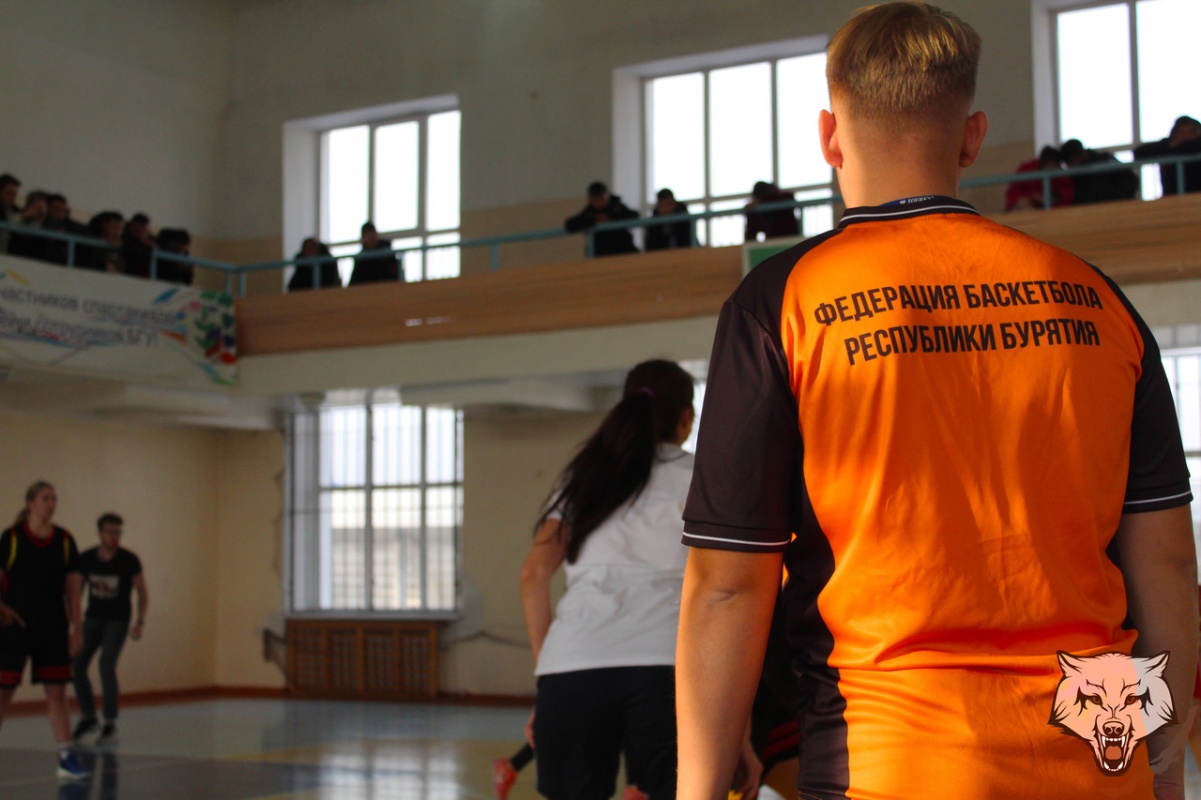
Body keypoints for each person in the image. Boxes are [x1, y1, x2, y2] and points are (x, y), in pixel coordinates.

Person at [676, 4, 1197, 800]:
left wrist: (700, 783)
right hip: (1094, 751)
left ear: (829, 137)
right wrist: (1159, 757)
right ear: (970, 137)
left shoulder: (784, 302)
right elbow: (1164, 560)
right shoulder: (1095, 298)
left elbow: (726, 585)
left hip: (892, 757)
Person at [521, 359, 698, 800]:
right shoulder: (703, 477)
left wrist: (548, 675)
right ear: (686, 418)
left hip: (572, 668)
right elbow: (729, 590)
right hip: (665, 668)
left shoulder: (583, 476)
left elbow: (533, 574)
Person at [0, 481, 89, 780]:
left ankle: (66, 756)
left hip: (52, 627)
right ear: (31, 503)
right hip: (15, 628)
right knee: (3, 692)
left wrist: (77, 629)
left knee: (57, 693)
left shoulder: (64, 540)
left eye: (53, 498)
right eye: (45, 498)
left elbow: (73, 591)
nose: (51, 504)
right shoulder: (12, 538)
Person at [71, 512, 147, 747]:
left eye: (118, 532)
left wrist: (139, 622)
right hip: (93, 619)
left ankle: (110, 722)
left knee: (106, 665)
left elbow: (142, 592)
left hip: (118, 620)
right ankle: (89, 717)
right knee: (76, 665)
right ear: (100, 533)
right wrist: (75, 625)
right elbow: (77, 592)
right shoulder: (86, 559)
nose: (114, 536)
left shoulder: (129, 560)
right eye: (110, 532)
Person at [564, 181, 640, 257]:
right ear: (590, 199)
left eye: (601, 198)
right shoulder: (590, 212)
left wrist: (610, 217)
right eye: (595, 199)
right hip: (601, 253)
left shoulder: (616, 206)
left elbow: (634, 215)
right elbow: (570, 224)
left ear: (607, 195)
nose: (598, 202)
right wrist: (593, 220)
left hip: (623, 250)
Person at [1134, 116, 1201, 196]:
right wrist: (1170, 146)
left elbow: (1191, 147)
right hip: (1173, 196)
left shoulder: (1196, 146)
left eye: (1191, 132)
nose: (1186, 136)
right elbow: (1139, 152)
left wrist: (1176, 147)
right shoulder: (1167, 146)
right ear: (1175, 135)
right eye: (1182, 133)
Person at [1060, 138, 1139, 204]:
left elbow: (1130, 181)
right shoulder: (1076, 176)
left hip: (1116, 206)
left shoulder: (1105, 161)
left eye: (1072, 161)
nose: (1072, 165)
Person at [1004, 145, 1074, 211]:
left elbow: (1067, 199)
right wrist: (1032, 197)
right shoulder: (1027, 169)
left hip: (1054, 211)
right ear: (1041, 163)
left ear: (1058, 165)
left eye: (1053, 166)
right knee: (1023, 203)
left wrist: (1051, 200)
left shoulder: (1062, 176)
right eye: (1048, 165)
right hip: (1027, 210)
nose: (1050, 168)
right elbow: (1012, 193)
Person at [121, 212, 156, 278]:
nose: (140, 233)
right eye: (137, 230)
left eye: (143, 231)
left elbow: (156, 247)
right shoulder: (124, 235)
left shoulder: (150, 239)